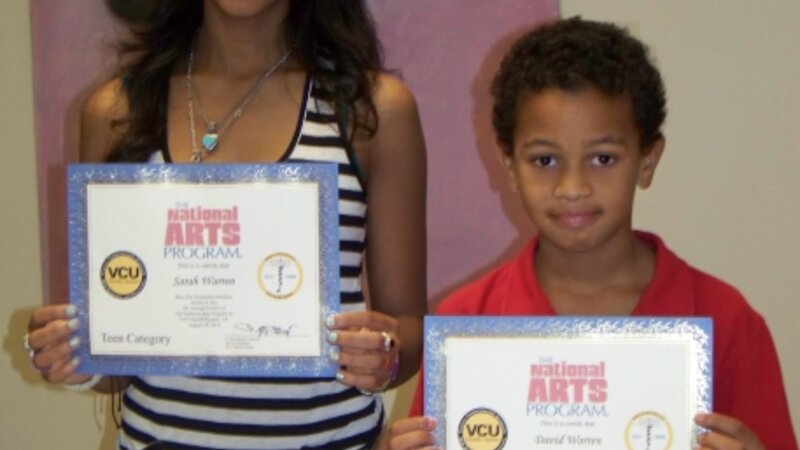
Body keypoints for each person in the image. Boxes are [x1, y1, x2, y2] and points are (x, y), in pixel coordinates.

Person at [379, 17, 797, 450]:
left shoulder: (727, 323)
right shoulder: (466, 326)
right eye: (545, 161)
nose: (572, 187)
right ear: (510, 167)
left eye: (602, 159)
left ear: (647, 160)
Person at [24, 1, 427, 448]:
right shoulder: (116, 113)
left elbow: (408, 326)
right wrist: (76, 356)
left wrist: (385, 357)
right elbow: (118, 359)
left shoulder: (371, 110)